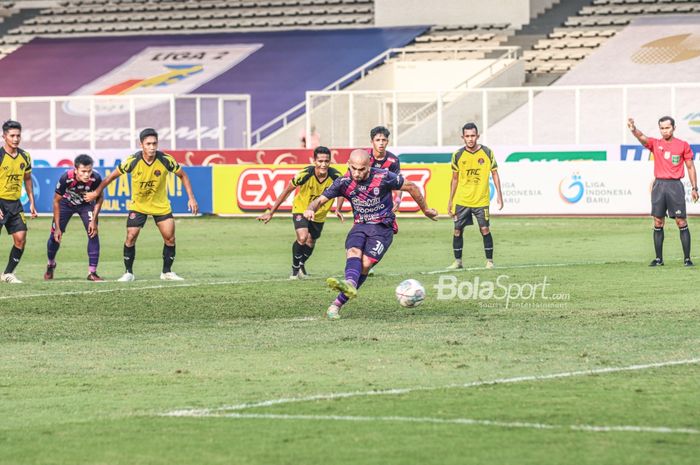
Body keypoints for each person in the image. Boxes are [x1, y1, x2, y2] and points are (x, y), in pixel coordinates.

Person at [304, 149, 438, 320]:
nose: (357, 173)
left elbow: (411, 186)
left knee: (366, 264)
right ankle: (348, 286)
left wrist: (425, 210)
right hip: (360, 225)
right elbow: (320, 200)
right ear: (348, 165)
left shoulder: (383, 176)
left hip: (383, 227)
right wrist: (310, 208)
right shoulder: (343, 182)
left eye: (362, 169)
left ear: (369, 166)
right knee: (353, 252)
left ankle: (337, 302)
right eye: (354, 169)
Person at [84, 128, 198, 281]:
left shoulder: (166, 160)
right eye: (148, 144)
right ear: (141, 145)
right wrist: (96, 192)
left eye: (154, 143)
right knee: (131, 237)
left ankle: (166, 272)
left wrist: (191, 198)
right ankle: (128, 273)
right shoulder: (132, 161)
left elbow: (183, 175)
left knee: (170, 238)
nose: (152, 147)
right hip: (138, 206)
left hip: (160, 205)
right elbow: (110, 177)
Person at [257, 146, 342, 279]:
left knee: (311, 241)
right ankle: (295, 269)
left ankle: (301, 264)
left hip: (320, 213)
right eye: (320, 161)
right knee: (302, 237)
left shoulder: (336, 176)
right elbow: (286, 191)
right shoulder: (305, 174)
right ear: (314, 161)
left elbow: (341, 191)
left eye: (326, 161)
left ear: (330, 161)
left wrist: (338, 208)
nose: (323, 164)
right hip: (301, 209)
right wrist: (271, 212)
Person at [628, 116, 698, 266]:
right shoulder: (655, 143)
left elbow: (690, 167)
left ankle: (687, 259)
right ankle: (659, 259)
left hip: (675, 186)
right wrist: (633, 129)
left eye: (667, 127)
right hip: (659, 186)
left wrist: (694, 188)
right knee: (658, 221)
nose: (665, 131)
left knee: (681, 221)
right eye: (662, 128)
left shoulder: (683, 145)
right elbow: (641, 137)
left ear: (674, 128)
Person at [337, 126, 402, 276]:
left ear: (388, 141)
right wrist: (338, 207)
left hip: (381, 204)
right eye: (377, 140)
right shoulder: (363, 159)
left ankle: (367, 262)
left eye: (384, 140)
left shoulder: (393, 161)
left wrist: (397, 198)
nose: (381, 143)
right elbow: (345, 182)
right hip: (363, 204)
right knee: (360, 233)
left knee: (377, 232)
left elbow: (398, 182)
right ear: (371, 141)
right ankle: (358, 264)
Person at [447, 122, 503, 270]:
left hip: (481, 200)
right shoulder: (458, 155)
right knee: (457, 230)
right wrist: (450, 201)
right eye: (467, 136)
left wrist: (499, 195)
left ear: (477, 136)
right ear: (462, 137)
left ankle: (490, 261)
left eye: (473, 136)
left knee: (485, 229)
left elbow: (495, 173)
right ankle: (458, 262)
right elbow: (454, 179)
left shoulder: (487, 152)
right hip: (462, 200)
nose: (470, 139)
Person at [45, 154, 105, 281]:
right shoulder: (66, 178)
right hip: (65, 205)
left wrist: (94, 220)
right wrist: (57, 228)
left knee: (93, 233)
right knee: (55, 237)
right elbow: (56, 201)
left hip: (85, 205)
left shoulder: (96, 178)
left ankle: (92, 273)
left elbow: (100, 198)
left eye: (89, 171)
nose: (87, 175)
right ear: (76, 170)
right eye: (83, 171)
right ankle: (51, 264)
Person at [0, 120, 37, 284]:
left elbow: (27, 179)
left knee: (21, 238)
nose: (16, 139)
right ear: (4, 136)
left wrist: (32, 202)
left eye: (18, 135)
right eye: (12, 135)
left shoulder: (25, 156)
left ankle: (8, 273)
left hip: (15, 203)